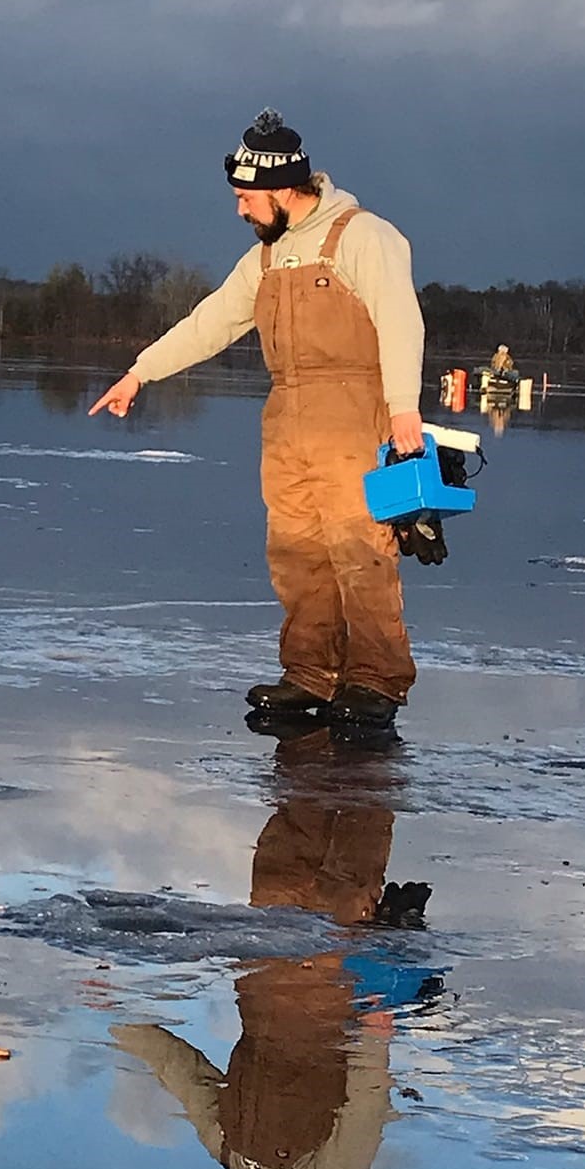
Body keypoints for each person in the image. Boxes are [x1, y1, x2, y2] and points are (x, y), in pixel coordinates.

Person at [89, 111, 425, 731]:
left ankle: (377, 680)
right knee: (297, 552)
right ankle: (310, 675)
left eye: (246, 198)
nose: (241, 211)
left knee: (360, 550)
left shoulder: (363, 236)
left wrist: (404, 408)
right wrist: (140, 372)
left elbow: (401, 320)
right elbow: (211, 321)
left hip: (355, 411)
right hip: (287, 416)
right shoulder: (266, 260)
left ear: (280, 188)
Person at [115, 726, 436, 1169]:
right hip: (333, 993)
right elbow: (366, 1104)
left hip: (266, 978)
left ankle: (312, 726)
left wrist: (113, 1015)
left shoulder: (229, 1152)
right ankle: (370, 722)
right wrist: (374, 1022)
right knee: (354, 846)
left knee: (286, 845)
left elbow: (181, 1075)